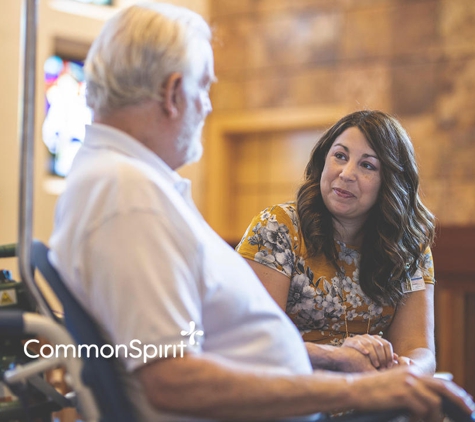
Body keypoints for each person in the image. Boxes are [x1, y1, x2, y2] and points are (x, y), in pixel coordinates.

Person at [48, 4, 475, 422]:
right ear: (174, 92)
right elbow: (173, 380)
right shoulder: (128, 195)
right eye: (205, 87)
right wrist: (360, 389)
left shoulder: (130, 183)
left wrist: (346, 366)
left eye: (367, 165)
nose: (209, 107)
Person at [236, 110, 437, 374]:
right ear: (323, 161)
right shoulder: (277, 227)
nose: (346, 173)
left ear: (390, 181)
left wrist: (408, 372)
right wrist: (338, 356)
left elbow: (418, 349)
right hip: (292, 392)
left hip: (373, 394)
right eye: (340, 156)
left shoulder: (410, 247)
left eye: (367, 165)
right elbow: (255, 338)